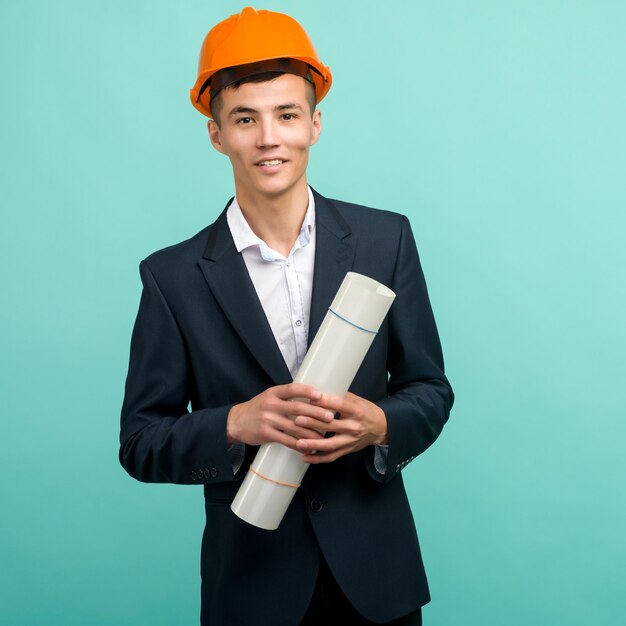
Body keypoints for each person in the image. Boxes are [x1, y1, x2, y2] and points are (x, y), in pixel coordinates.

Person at [119, 7, 453, 626]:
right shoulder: (171, 278)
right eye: (245, 119)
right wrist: (237, 423)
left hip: (377, 582)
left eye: (287, 115)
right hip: (251, 586)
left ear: (315, 125)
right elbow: (140, 443)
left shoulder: (387, 241)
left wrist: (379, 424)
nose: (269, 137)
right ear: (217, 134)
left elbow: (431, 390)